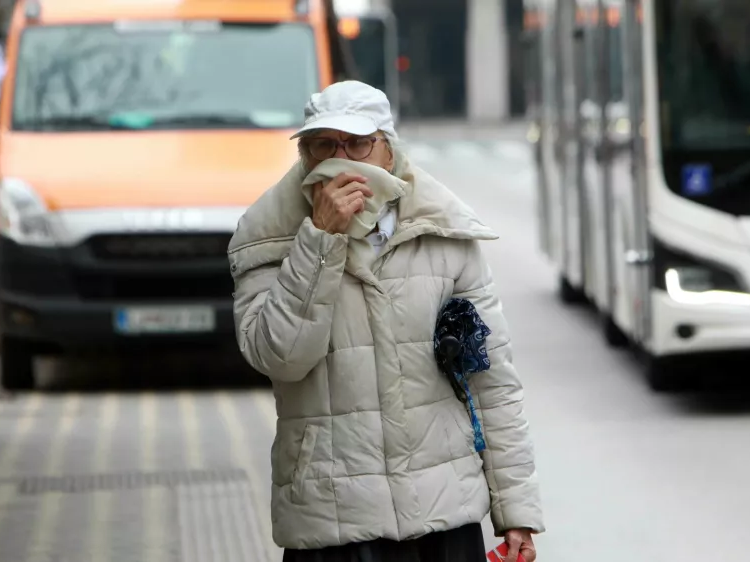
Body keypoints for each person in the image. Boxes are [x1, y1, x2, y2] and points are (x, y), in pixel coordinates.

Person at [228, 80, 544, 562]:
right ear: (305, 157)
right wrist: (319, 241)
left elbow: (492, 381)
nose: (343, 160)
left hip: (443, 514)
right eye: (324, 145)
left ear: (388, 151)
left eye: (358, 143)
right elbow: (279, 356)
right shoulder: (266, 235)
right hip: (333, 521)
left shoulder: (443, 232)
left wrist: (515, 509)